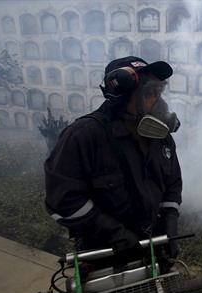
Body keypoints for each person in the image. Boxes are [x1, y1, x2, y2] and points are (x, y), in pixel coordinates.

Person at [44, 56, 182, 270]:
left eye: (159, 92)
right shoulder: (85, 136)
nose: (158, 102)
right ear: (123, 96)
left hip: (152, 249)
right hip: (104, 256)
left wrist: (170, 221)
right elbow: (63, 199)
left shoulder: (161, 137)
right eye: (150, 93)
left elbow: (172, 184)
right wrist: (113, 233)